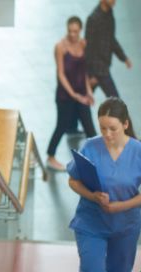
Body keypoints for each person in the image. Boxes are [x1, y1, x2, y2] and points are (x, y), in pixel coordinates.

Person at [67, 98, 141, 272]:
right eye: (102, 128)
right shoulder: (90, 147)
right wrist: (92, 195)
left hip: (125, 226)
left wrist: (122, 206)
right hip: (91, 222)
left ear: (125, 124)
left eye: (113, 128)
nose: (107, 134)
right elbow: (73, 181)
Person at [46, 16, 97, 172]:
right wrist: (74, 95)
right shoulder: (60, 47)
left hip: (81, 94)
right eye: (70, 31)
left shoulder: (83, 44)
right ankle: (50, 157)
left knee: (90, 128)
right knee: (62, 126)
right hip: (65, 97)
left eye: (76, 31)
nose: (73, 34)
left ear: (80, 30)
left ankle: (97, 158)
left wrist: (88, 91)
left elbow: (84, 71)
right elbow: (60, 74)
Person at [85, 0, 132, 98]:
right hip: (97, 68)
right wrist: (90, 74)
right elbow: (88, 48)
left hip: (104, 66)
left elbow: (111, 39)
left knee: (84, 99)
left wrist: (124, 58)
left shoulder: (109, 14)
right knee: (115, 101)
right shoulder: (93, 19)